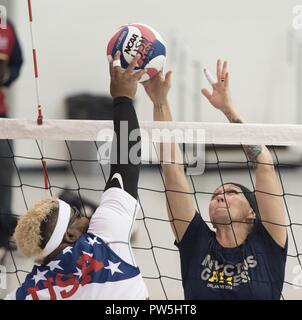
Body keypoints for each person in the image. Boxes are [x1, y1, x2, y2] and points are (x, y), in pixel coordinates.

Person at [5, 52, 149, 300]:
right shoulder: (105, 238)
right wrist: (124, 98)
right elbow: (127, 160)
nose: (86, 217)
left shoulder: (27, 293)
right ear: (70, 236)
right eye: (78, 215)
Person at [142, 60, 287, 300]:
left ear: (253, 212)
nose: (220, 196)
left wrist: (228, 110)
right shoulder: (196, 241)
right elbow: (173, 171)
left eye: (231, 193)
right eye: (215, 195)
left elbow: (264, 164)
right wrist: (159, 101)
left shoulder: (268, 241)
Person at [0, 19, 23, 261]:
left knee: (4, 172)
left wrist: (6, 75)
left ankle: (4, 232)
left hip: (1, 115)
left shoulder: (7, 27)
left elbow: (17, 63)